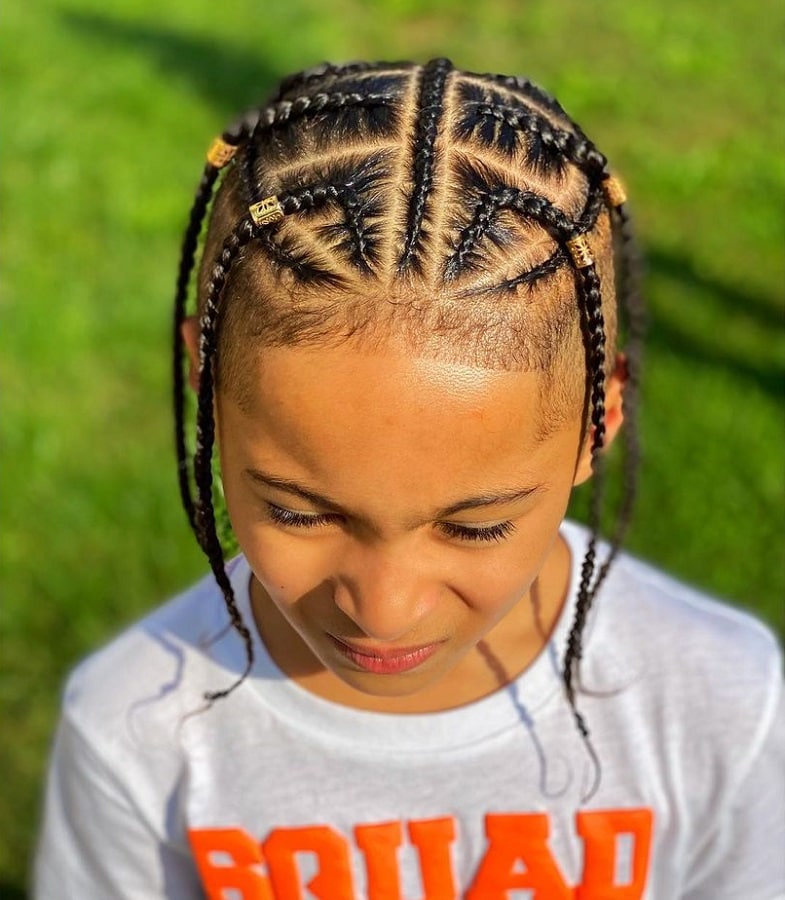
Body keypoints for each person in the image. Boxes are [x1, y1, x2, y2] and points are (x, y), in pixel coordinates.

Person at [35, 59, 783, 899]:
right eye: (299, 512)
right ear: (204, 382)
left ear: (597, 421)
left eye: (474, 527)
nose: (383, 610)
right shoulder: (133, 728)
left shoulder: (720, 699)